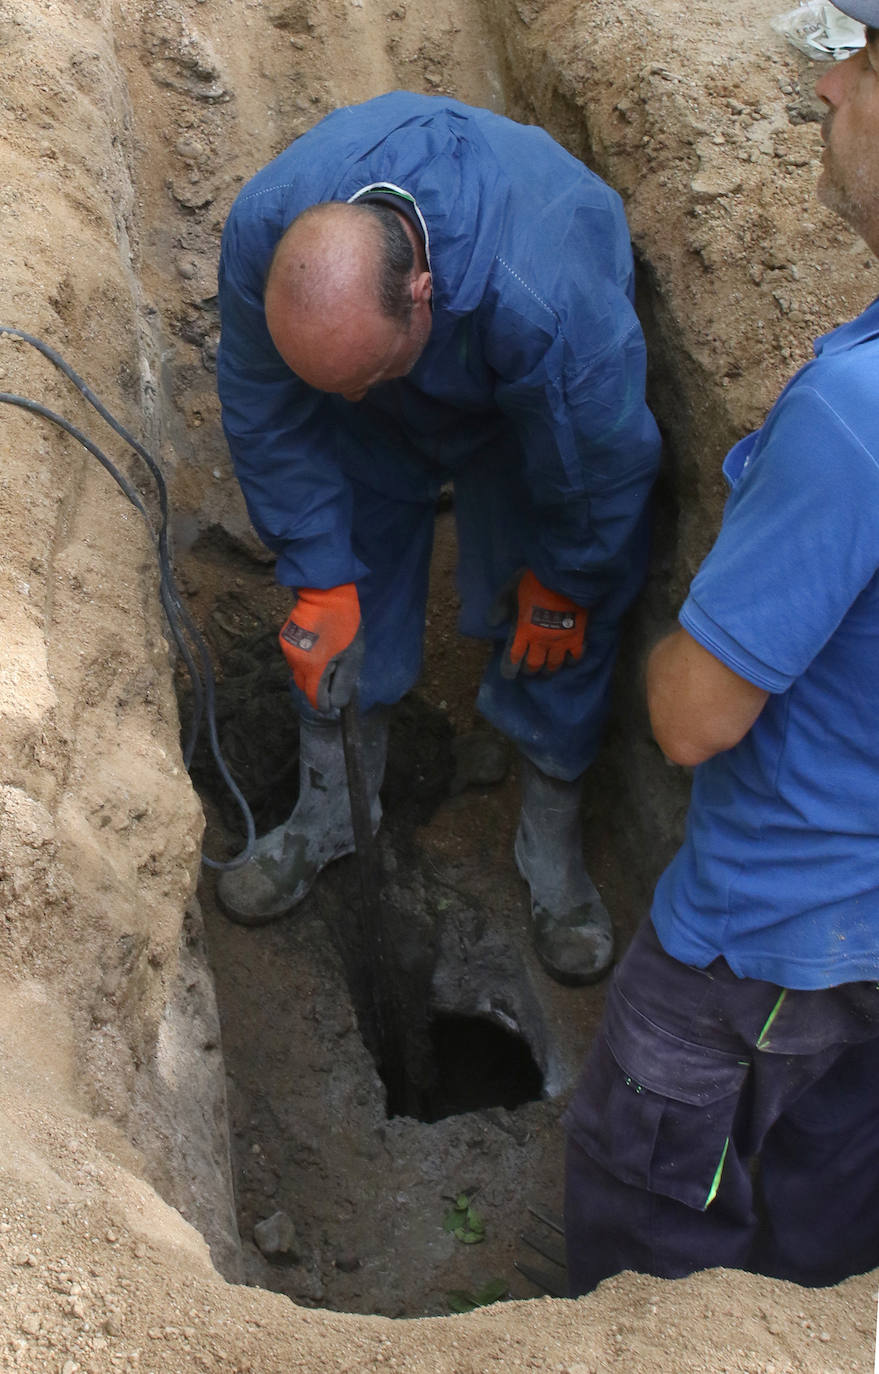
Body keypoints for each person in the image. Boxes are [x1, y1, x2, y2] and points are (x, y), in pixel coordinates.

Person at [563, 2, 879, 1293]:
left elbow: (693, 719)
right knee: (827, 1188)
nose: (825, 94)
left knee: (645, 1204)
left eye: (861, 66)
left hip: (764, 930)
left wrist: (648, 645)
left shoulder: (851, 419)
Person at [214, 92, 661, 986]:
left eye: (364, 373)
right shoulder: (267, 230)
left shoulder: (548, 300)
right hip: (396, 394)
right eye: (331, 382)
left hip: (524, 405)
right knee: (347, 579)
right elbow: (267, 414)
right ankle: (333, 811)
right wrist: (316, 575)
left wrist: (567, 583)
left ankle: (549, 840)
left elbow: (599, 464)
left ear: (423, 293)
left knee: (554, 616)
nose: (343, 398)